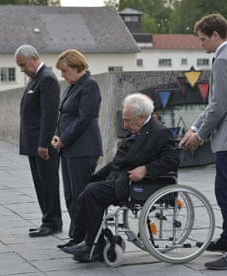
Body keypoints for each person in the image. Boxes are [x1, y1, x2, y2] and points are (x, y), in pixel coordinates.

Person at [179, 13, 227, 270]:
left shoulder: (223, 60)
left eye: (203, 39)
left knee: (226, 193)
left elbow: (219, 107)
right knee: (225, 191)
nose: (201, 44)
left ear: (215, 35)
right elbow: (215, 103)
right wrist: (194, 127)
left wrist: (199, 135)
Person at [61, 93, 180, 262]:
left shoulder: (159, 132)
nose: (124, 125)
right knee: (86, 189)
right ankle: (88, 241)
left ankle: (88, 244)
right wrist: (96, 176)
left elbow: (173, 160)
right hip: (118, 177)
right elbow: (120, 160)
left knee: (92, 192)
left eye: (128, 120)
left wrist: (146, 169)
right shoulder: (138, 129)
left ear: (141, 117)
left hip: (133, 183)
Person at [51, 49, 103, 249]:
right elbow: (64, 114)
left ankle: (89, 239)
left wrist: (63, 139)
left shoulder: (89, 85)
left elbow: (84, 118)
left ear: (76, 66)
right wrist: (58, 134)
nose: (63, 75)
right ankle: (77, 236)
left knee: (82, 195)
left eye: (65, 71)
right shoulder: (72, 86)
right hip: (69, 148)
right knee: (71, 195)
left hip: (83, 148)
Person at [15, 44, 63, 237]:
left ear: (34, 59)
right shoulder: (36, 79)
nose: (22, 70)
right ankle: (47, 219)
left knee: (48, 183)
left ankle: (52, 222)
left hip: (43, 145)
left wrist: (44, 144)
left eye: (23, 65)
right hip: (33, 143)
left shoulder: (47, 79)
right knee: (40, 184)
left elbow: (49, 115)